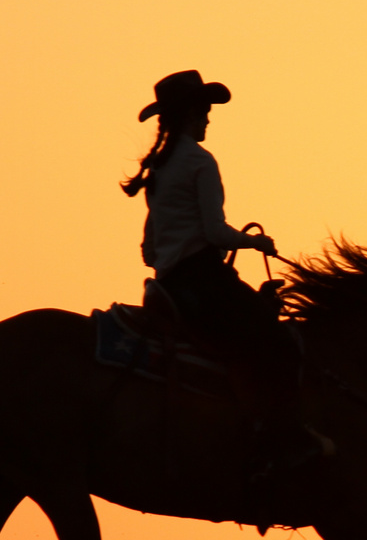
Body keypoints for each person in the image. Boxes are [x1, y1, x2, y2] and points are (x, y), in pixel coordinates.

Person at [123, 69, 327, 486]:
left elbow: (149, 249)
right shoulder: (200, 162)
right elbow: (215, 231)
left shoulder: (160, 169)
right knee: (280, 345)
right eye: (205, 111)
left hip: (173, 284)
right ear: (191, 114)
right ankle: (276, 443)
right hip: (200, 280)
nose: (209, 119)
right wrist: (256, 244)